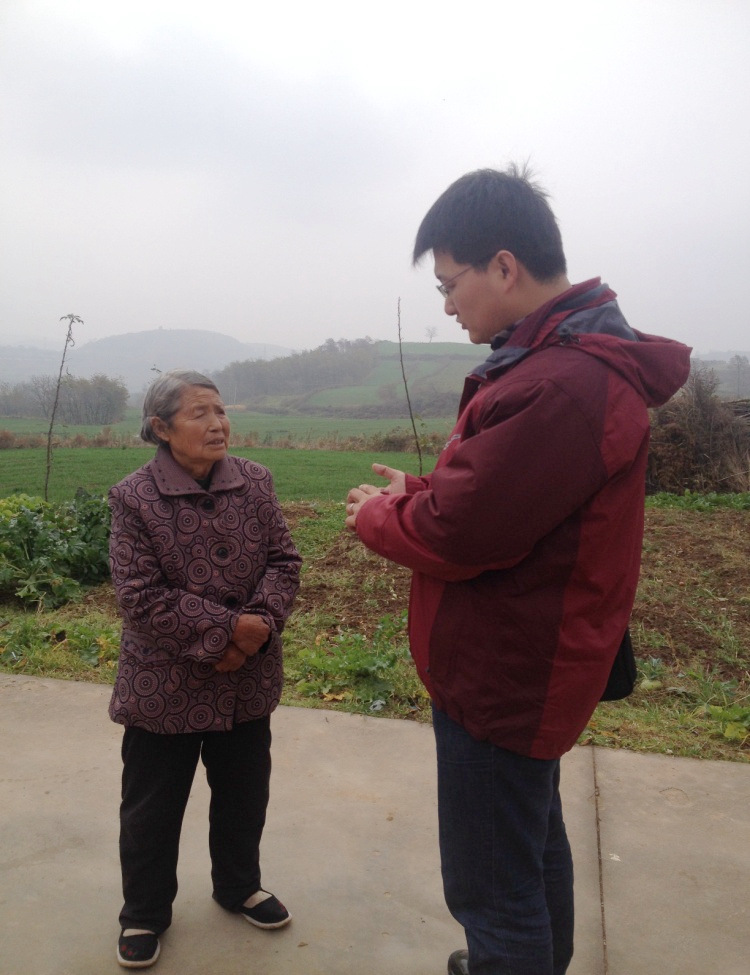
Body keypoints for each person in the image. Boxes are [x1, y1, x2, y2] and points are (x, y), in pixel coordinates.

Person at [345, 166, 691, 975]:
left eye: (449, 284)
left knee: (493, 889)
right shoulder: (559, 362)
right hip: (520, 663)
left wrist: (376, 516)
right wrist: (420, 489)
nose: (447, 305)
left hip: (503, 674)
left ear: (504, 267)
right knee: (528, 847)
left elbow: (463, 531)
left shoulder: (563, 383)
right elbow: (507, 499)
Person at [108, 369, 301, 969]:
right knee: (152, 806)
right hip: (164, 683)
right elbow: (138, 595)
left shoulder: (255, 481)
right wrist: (227, 632)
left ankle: (239, 885)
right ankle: (144, 911)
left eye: (220, 410)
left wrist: (253, 632)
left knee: (244, 793)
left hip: (247, 681)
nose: (218, 424)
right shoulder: (133, 497)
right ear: (161, 428)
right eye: (200, 413)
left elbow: (284, 561)